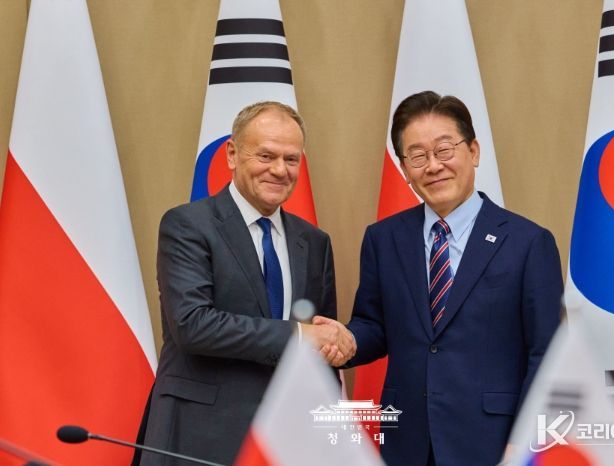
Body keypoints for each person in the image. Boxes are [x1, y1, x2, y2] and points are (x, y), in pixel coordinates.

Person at [323, 91, 563, 466]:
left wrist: (526, 440)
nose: (433, 166)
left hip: (493, 444)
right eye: (418, 156)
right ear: (405, 169)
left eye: (444, 150)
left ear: (474, 151)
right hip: (408, 443)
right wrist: (348, 340)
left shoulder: (528, 242)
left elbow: (547, 353)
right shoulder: (384, 239)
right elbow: (375, 325)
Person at [138, 101, 353, 465]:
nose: (279, 170)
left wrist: (337, 346)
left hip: (289, 442)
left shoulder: (314, 242)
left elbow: (319, 337)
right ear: (232, 154)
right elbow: (193, 325)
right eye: (266, 155)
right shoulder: (187, 225)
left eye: (291, 159)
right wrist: (300, 336)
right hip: (201, 438)